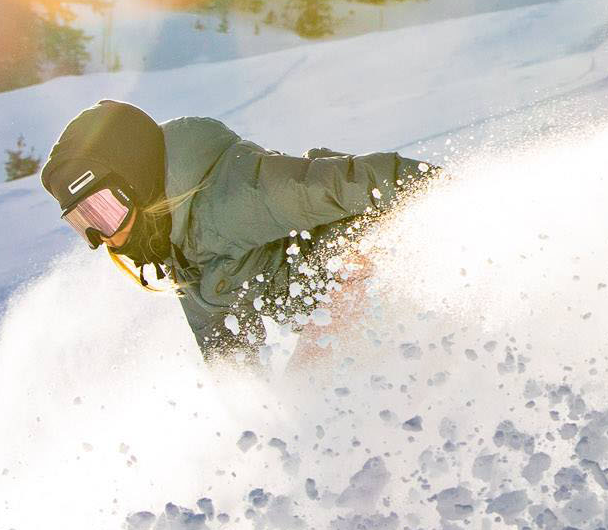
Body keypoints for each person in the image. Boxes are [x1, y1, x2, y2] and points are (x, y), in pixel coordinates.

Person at [39, 100, 436, 360]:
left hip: (382, 261)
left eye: (104, 211)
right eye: (83, 224)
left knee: (316, 378)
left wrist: (467, 199)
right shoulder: (176, 249)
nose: (102, 237)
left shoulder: (236, 194)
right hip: (343, 301)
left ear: (139, 185)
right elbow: (224, 349)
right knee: (302, 401)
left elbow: (373, 179)